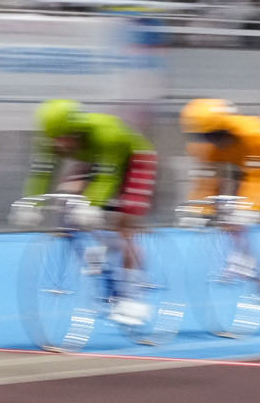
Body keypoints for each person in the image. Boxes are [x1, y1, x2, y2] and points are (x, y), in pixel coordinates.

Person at [10, 99, 158, 328]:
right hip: (92, 160)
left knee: (123, 226)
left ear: (77, 131)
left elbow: (108, 176)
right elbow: (41, 173)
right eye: (56, 140)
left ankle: (131, 296)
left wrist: (92, 204)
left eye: (65, 138)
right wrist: (31, 203)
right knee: (67, 198)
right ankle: (98, 253)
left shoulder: (107, 134)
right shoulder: (50, 141)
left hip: (133, 158)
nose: (61, 145)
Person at [178, 98, 260, 277]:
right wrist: (199, 208)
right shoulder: (206, 146)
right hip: (248, 165)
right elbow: (208, 180)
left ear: (228, 129)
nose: (213, 142)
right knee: (228, 210)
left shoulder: (253, 135)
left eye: (217, 135)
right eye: (206, 137)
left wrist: (251, 208)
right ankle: (243, 257)